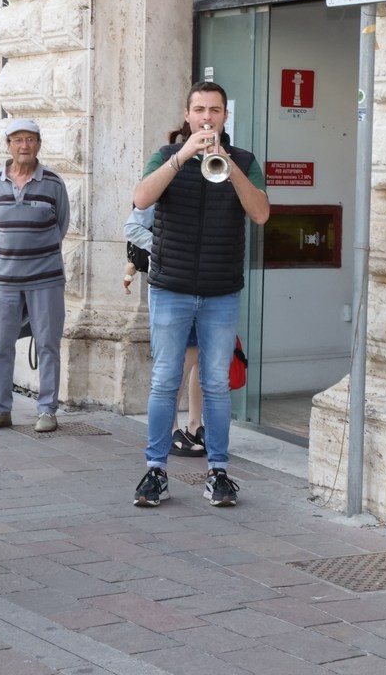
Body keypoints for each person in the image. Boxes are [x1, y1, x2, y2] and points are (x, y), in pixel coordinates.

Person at [131, 82, 269, 508]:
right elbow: (140, 199)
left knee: (214, 384)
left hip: (220, 291)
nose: (207, 117)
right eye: (199, 110)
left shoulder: (243, 160)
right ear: (187, 115)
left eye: (215, 110)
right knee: (164, 381)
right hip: (171, 287)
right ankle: (156, 470)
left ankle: (218, 472)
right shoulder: (165, 156)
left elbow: (261, 213)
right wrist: (181, 156)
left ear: (226, 116)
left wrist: (227, 162)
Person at [0, 119, 70, 434]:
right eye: (17, 140)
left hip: (46, 277)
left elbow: (62, 226)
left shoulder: (54, 183)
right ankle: (1, 410)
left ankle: (47, 411)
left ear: (39, 144)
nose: (24, 146)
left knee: (47, 345)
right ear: (8, 145)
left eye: (30, 139)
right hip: (5, 279)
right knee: (2, 345)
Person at [123, 205, 204, 457]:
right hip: (172, 280)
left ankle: (195, 424)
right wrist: (164, 247)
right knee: (182, 356)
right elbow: (133, 227)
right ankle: (170, 429)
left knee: (202, 354)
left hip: (207, 278)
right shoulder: (164, 178)